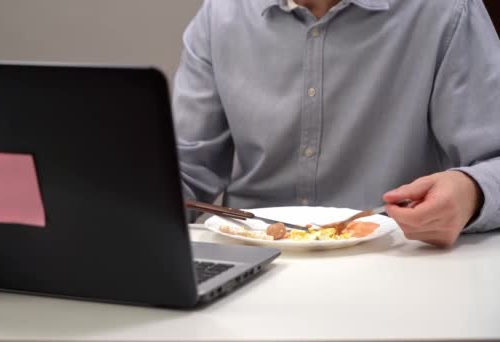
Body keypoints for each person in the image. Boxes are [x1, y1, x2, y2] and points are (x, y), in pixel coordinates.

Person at [172, 0, 500, 247]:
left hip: (394, 258)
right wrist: (134, 202)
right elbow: (185, 169)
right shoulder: (221, 13)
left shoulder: (445, 10)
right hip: (249, 257)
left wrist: (471, 193)